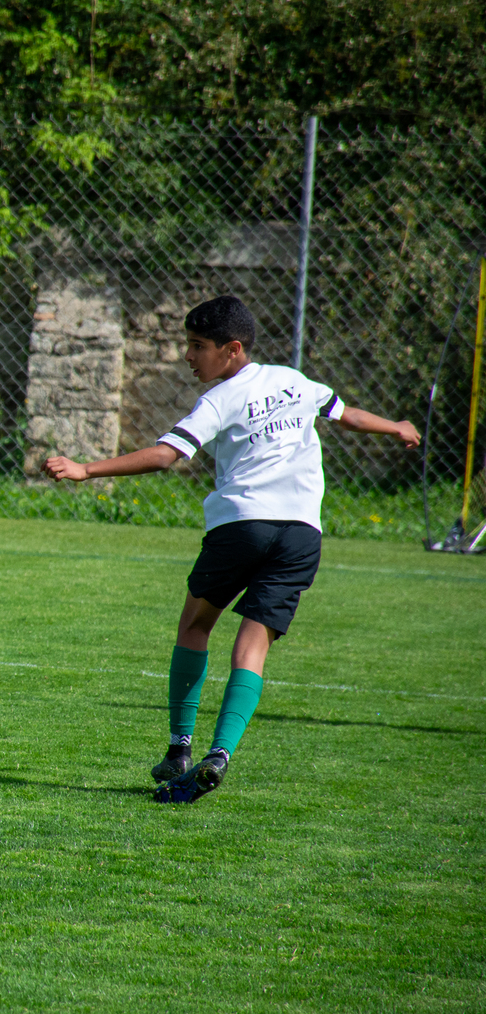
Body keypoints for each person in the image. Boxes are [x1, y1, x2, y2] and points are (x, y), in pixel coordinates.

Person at [44, 295, 420, 803]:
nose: (188, 356)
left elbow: (166, 455)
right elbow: (345, 414)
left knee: (195, 625)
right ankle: (219, 755)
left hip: (243, 525)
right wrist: (395, 426)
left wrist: (86, 469)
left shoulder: (220, 399)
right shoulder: (294, 381)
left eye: (198, 346)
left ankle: (180, 747)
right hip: (302, 534)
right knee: (253, 645)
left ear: (233, 349)